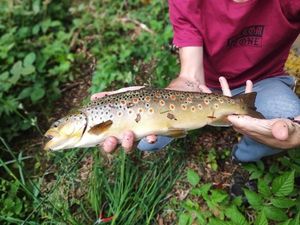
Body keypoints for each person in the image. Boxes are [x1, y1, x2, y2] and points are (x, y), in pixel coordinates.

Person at [91, 0, 300, 162]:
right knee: (147, 140)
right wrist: (153, 98)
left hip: (264, 81)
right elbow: (190, 76)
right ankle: (209, 119)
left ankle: (243, 157)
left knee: (283, 124)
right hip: (202, 87)